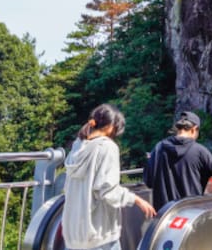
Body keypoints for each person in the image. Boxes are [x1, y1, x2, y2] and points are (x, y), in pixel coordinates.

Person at [62, 104, 156, 250]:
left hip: (73, 236)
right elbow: (107, 191)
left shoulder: (78, 147)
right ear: (111, 126)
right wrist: (136, 199)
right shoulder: (107, 148)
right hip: (99, 236)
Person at [143, 111, 212, 210]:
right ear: (194, 130)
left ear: (178, 129)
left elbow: (149, 182)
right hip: (189, 215)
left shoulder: (158, 149)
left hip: (164, 216)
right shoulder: (200, 151)